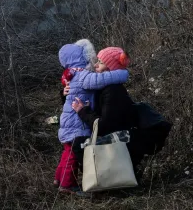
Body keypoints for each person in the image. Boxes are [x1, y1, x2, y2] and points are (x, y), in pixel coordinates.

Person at [72, 47, 171, 178]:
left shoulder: (113, 91)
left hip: (123, 141)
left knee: (78, 145)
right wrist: (66, 93)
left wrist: (83, 111)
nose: (95, 65)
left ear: (110, 68)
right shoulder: (105, 88)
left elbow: (104, 126)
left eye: (100, 62)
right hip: (123, 139)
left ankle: (105, 178)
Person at [56, 41, 129, 195]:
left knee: (68, 151)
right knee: (72, 154)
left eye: (100, 62)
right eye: (93, 60)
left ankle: (59, 179)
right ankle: (67, 184)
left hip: (70, 121)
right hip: (77, 123)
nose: (95, 64)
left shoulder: (73, 74)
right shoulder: (84, 75)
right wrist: (122, 74)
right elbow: (101, 79)